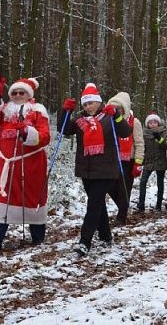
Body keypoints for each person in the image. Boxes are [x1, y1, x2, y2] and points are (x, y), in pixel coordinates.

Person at [0, 73, 50, 253]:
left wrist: (27, 132)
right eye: (14, 93)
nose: (17, 96)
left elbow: (45, 136)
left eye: (21, 93)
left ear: (29, 95)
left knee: (33, 198)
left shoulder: (38, 111)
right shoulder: (6, 111)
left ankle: (38, 236)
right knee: (0, 200)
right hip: (5, 165)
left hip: (30, 165)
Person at [59, 83, 132, 256]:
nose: (88, 106)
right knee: (98, 204)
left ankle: (85, 242)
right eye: (85, 104)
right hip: (87, 170)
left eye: (91, 103)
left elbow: (125, 132)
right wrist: (65, 111)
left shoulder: (109, 117)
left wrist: (117, 115)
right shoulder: (79, 121)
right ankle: (106, 236)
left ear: (99, 102)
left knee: (93, 205)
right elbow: (65, 130)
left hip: (106, 170)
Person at [105, 92, 144, 226]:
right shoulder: (108, 121)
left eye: (119, 108)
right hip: (112, 159)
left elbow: (139, 143)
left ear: (124, 108)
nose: (116, 110)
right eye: (113, 108)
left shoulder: (134, 122)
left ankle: (122, 217)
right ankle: (123, 206)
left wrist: (138, 162)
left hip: (129, 160)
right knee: (109, 186)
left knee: (124, 189)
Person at [137, 112, 167, 212]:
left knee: (160, 183)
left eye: (155, 122)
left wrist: (159, 139)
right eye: (150, 122)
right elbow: (141, 147)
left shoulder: (163, 132)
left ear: (158, 123)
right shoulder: (144, 133)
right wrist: (140, 160)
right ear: (147, 124)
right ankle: (141, 205)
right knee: (143, 182)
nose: (153, 124)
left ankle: (158, 205)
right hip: (148, 161)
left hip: (160, 161)